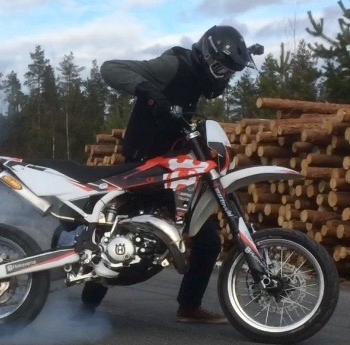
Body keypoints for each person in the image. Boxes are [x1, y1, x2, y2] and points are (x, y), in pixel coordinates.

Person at [82, 25, 261, 324]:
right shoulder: (173, 65)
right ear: (207, 56)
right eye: (222, 70)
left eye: (229, 73)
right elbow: (110, 68)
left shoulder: (197, 78)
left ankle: (189, 307)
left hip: (170, 168)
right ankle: (85, 310)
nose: (224, 78)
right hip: (142, 166)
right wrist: (148, 91)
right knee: (118, 234)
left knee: (207, 239)